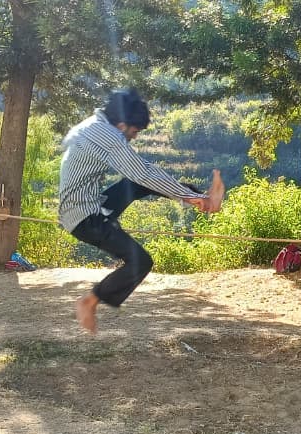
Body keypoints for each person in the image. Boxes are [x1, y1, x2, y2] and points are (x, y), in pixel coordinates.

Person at [58, 89, 225, 334]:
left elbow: (142, 176)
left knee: (135, 184)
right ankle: (90, 300)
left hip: (89, 204)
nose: (133, 137)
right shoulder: (107, 135)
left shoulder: (93, 124)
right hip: (85, 218)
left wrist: (193, 197)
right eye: (134, 132)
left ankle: (202, 199)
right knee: (140, 261)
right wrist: (193, 196)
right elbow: (143, 173)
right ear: (122, 125)